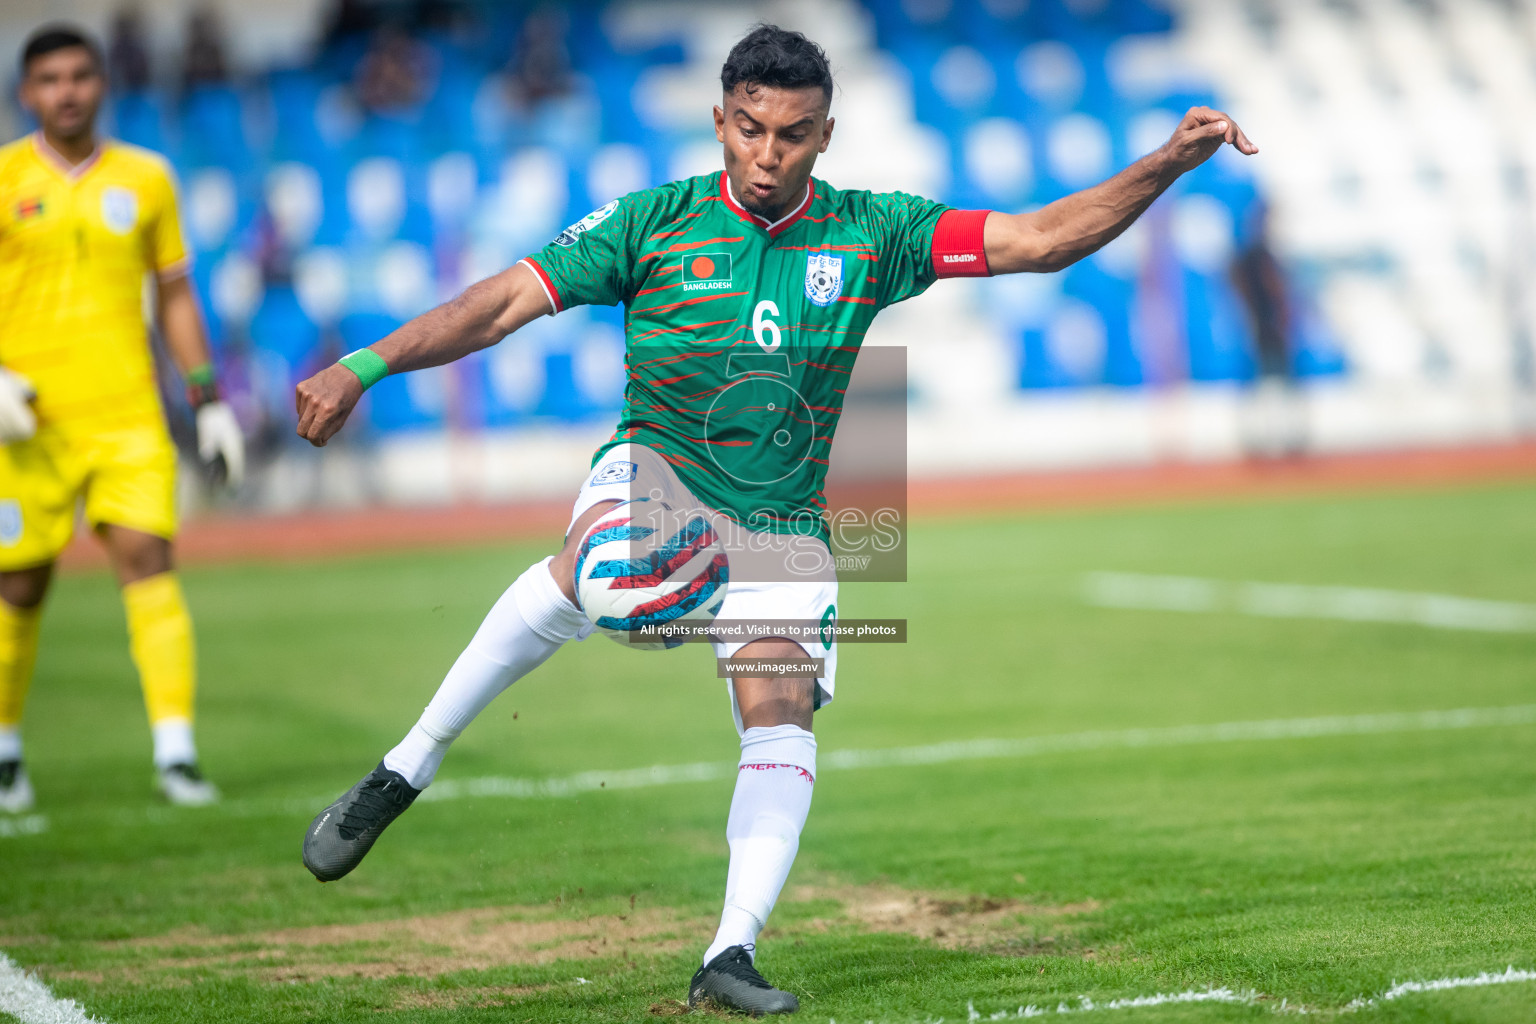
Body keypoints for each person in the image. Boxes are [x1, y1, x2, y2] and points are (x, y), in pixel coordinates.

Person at [294, 24, 1255, 1014]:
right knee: (601, 573)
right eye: (749, 130)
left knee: (780, 706)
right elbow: (501, 304)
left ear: (825, 135)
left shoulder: (873, 232)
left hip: (780, 528)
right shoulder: (649, 223)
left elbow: (1040, 240)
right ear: (719, 120)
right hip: (651, 478)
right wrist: (364, 364)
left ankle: (729, 954)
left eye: (792, 135)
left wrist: (1166, 163)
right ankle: (404, 769)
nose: (766, 154)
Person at [0, 26, 246, 811]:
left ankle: (176, 752)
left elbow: (175, 294)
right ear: (26, 92)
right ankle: (5, 750)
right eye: (49, 79)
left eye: (79, 76)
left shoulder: (148, 179)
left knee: (148, 559)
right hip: (24, 423)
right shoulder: (4, 177)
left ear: (104, 83)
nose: (66, 91)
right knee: (19, 584)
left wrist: (207, 401)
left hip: (128, 416)